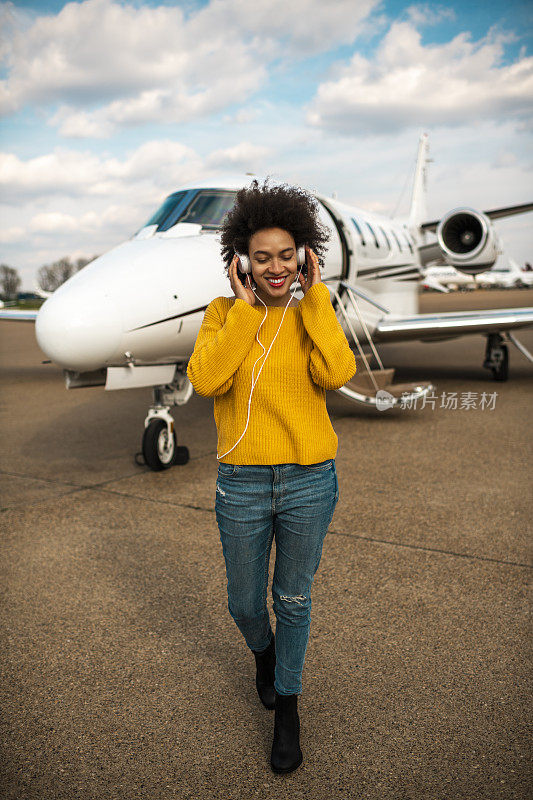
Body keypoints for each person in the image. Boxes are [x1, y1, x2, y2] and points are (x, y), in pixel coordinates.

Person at [186, 178, 356, 774]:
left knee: (294, 598)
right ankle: (263, 655)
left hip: (311, 479)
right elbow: (206, 381)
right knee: (244, 604)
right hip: (244, 483)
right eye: (263, 257)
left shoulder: (315, 310)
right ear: (242, 261)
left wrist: (314, 300)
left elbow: (338, 371)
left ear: (305, 256)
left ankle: (288, 705)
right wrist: (243, 312)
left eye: (288, 255)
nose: (276, 267)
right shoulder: (221, 315)